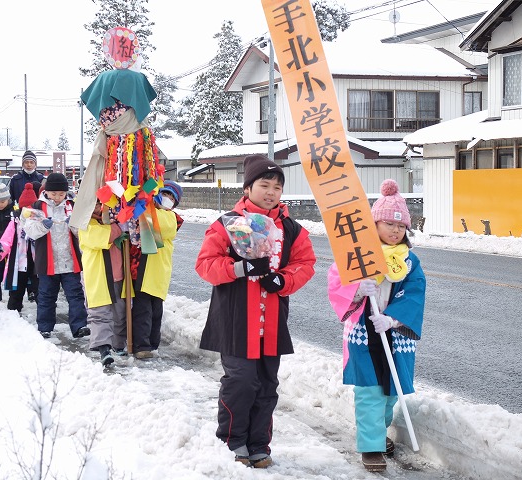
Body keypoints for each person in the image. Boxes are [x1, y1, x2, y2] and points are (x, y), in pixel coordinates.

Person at [195, 155, 316, 468]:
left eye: (277, 186)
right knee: (241, 382)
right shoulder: (227, 223)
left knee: (266, 385)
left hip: (272, 324)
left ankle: (259, 444)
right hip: (235, 321)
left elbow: (305, 264)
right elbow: (205, 265)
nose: (272, 191)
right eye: (265, 184)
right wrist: (239, 268)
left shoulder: (291, 229)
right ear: (248, 187)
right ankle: (232, 441)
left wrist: (283, 279)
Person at [327, 179, 426, 473]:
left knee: (390, 390)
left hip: (392, 333)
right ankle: (370, 446)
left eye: (400, 226)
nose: (395, 231)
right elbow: (336, 283)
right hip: (364, 333)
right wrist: (358, 287)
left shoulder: (409, 261)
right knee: (369, 390)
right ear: (374, 225)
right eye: (388, 224)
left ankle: (378, 434)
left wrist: (393, 319)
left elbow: (416, 292)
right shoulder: (357, 254)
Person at [22, 173, 89, 339]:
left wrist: (74, 226)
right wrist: (43, 226)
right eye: (54, 194)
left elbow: (82, 232)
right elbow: (30, 232)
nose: (58, 197)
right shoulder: (37, 207)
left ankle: (79, 326)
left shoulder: (73, 206)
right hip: (47, 260)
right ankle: (45, 327)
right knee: (46, 295)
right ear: (47, 192)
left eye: (61, 194)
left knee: (75, 294)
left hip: (69, 260)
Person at [129, 180, 183, 359]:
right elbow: (135, 214)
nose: (167, 199)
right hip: (143, 269)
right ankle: (142, 345)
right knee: (143, 310)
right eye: (164, 194)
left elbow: (153, 222)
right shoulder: (149, 210)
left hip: (158, 270)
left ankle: (153, 343)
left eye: (171, 197)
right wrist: (147, 190)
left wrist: (147, 197)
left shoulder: (170, 217)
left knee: (155, 311)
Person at [78, 198, 128, 366]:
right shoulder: (84, 223)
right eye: (95, 204)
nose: (98, 208)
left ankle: (118, 343)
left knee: (119, 312)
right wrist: (118, 228)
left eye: (101, 204)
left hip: (117, 273)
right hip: (97, 275)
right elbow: (100, 237)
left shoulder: (114, 218)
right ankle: (103, 348)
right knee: (99, 313)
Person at [0, 182, 40, 314]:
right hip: (19, 261)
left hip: (36, 261)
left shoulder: (39, 221)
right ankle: (13, 311)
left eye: (30, 208)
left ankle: (45, 312)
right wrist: (0, 249)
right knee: (17, 289)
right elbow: (7, 239)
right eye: (25, 208)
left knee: (40, 289)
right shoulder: (15, 222)